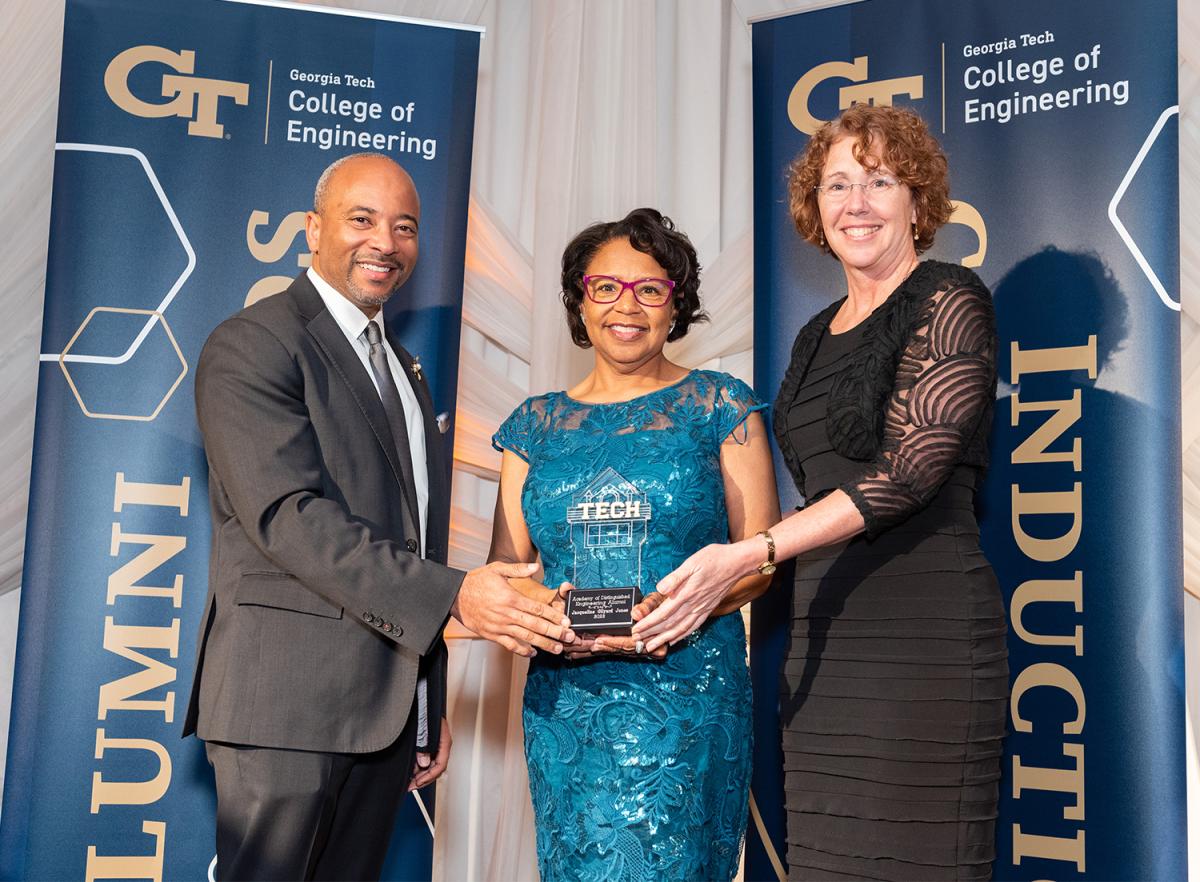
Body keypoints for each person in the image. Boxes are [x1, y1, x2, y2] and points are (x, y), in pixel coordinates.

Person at [635, 105, 1007, 880]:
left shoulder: (950, 298)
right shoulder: (815, 333)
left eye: (879, 181)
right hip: (821, 641)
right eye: (838, 184)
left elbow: (907, 472)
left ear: (917, 200)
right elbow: (811, 484)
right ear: (814, 206)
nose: (856, 203)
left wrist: (750, 551)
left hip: (924, 638)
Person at [183, 152, 573, 882]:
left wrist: (424, 702)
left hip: (383, 718)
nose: (385, 243)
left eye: (405, 227)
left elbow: (408, 541)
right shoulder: (254, 343)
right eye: (361, 219)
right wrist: (459, 594)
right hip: (284, 712)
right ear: (312, 229)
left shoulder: (404, 366)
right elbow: (288, 517)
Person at [488, 208, 780, 881]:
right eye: (607, 287)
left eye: (650, 289)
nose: (628, 306)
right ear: (580, 301)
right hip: (569, 705)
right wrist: (546, 616)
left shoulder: (719, 406)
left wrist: (669, 614)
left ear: (675, 306)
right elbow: (506, 574)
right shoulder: (532, 427)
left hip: (689, 696)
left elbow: (760, 557)